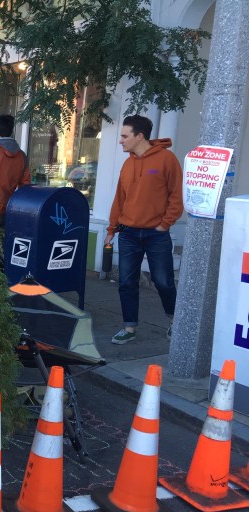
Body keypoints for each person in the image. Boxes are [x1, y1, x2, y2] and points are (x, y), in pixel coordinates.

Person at [105, 114, 183, 345]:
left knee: (163, 281)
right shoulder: (128, 163)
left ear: (139, 136)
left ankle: (173, 321)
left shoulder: (166, 160)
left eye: (124, 136)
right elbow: (120, 198)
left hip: (155, 234)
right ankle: (129, 327)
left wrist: (164, 224)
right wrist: (112, 228)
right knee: (127, 282)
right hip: (128, 232)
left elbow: (177, 196)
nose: (121, 140)